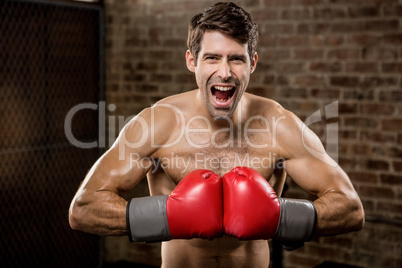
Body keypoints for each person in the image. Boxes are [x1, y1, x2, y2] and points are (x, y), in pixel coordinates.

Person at [69, 2, 364, 267]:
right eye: (212, 58)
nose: (225, 72)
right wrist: (168, 217)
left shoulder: (280, 125)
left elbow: (350, 208)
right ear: (191, 61)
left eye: (236, 59)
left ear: (253, 63)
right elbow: (84, 208)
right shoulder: (156, 124)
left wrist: (280, 218)